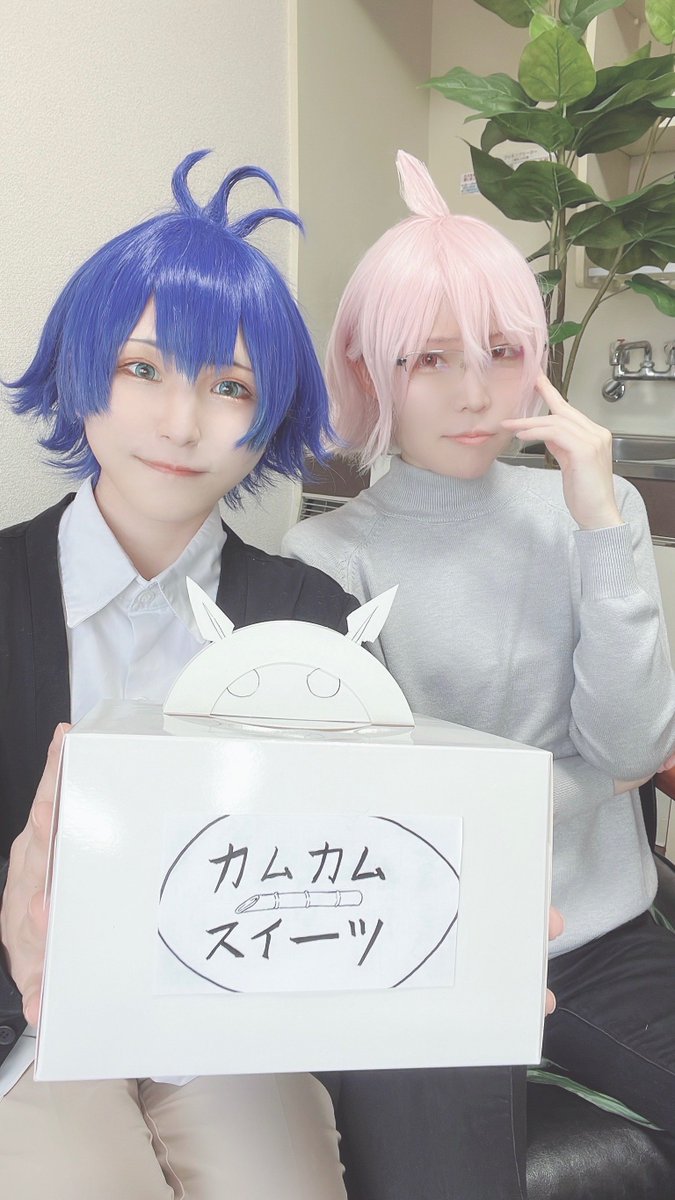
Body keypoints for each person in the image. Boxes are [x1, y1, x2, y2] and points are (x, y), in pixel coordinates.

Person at [284, 150, 675, 1199]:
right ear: (370, 369)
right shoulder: (325, 559)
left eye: (500, 352)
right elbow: (385, 816)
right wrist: (577, 783)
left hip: (598, 934)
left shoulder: (589, 515)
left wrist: (600, 521)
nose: (472, 392)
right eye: (428, 359)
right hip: (427, 946)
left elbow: (634, 745)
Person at [0, 151, 353, 1200]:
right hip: (26, 1027)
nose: (181, 423)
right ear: (82, 369)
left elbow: (351, 855)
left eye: (228, 386)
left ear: (270, 416)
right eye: (142, 368)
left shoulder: (313, 621)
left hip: (228, 1026)